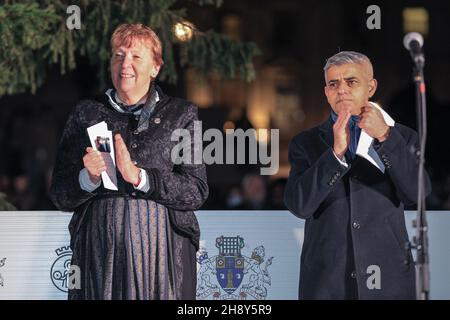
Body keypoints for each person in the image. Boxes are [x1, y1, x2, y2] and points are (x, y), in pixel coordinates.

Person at [49, 23, 209, 300]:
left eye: (136, 57)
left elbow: (195, 191)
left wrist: (140, 177)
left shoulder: (181, 114)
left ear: (155, 67)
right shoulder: (86, 112)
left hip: (163, 256)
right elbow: (60, 194)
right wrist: (88, 179)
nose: (125, 64)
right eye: (118, 55)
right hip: (99, 255)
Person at [284, 51, 431, 300]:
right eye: (333, 83)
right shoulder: (305, 143)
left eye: (351, 82)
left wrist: (385, 137)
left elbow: (418, 193)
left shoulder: (403, 137)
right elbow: (299, 205)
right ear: (326, 92)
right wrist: (335, 154)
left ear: (371, 87)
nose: (341, 89)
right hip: (327, 283)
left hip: (389, 281)